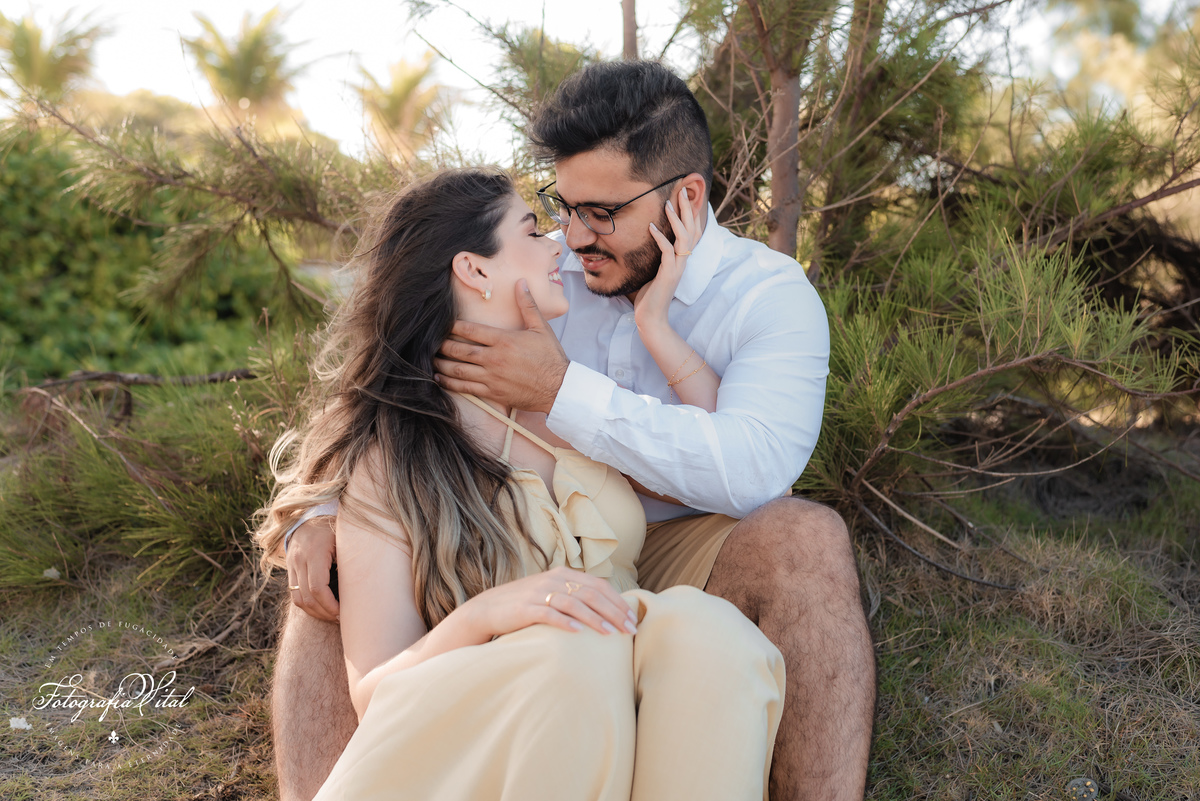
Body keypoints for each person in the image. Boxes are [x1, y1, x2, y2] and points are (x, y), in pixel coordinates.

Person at [280, 61, 875, 801]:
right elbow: (398, 358)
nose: (571, 236)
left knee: (792, 551)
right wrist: (317, 503)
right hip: (518, 566)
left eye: (601, 213)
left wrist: (569, 385)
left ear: (686, 196)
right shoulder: (559, 277)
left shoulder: (767, 297)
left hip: (683, 542)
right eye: (559, 210)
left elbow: (755, 475)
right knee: (325, 571)